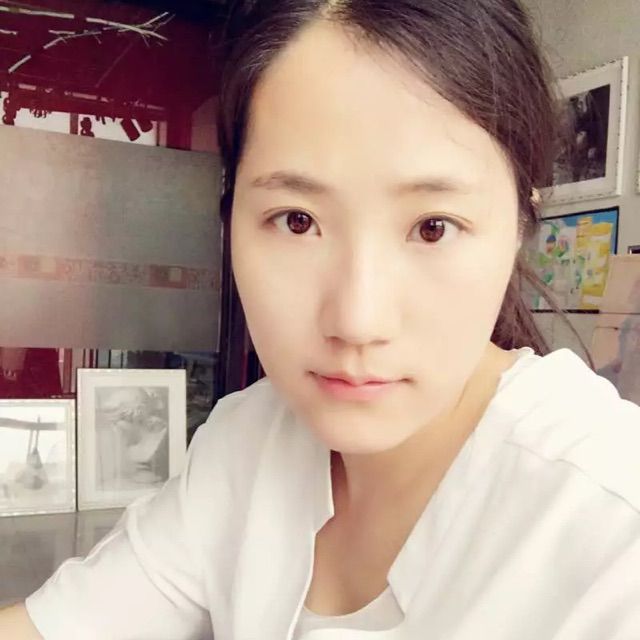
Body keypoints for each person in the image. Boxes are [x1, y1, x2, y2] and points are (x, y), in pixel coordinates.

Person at [2, 0, 640, 638]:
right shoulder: (247, 440)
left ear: (520, 225)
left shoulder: (612, 525)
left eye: (433, 227)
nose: (357, 320)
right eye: (297, 220)